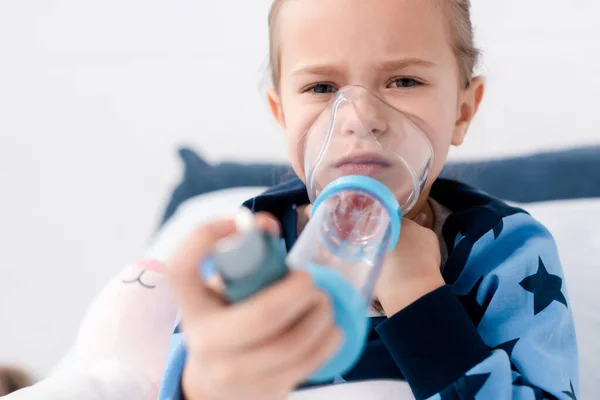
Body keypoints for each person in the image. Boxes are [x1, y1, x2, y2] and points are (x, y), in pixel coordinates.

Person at [159, 1, 579, 399]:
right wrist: (210, 382)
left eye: (403, 81)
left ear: (462, 110)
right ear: (282, 114)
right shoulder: (251, 248)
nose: (360, 118)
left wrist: (419, 295)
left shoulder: (504, 250)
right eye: (321, 87)